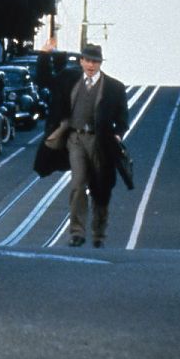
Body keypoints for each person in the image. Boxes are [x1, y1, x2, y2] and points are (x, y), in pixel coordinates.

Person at [44, 43, 130, 248]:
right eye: (88, 60)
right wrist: (43, 56)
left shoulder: (114, 87)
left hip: (101, 142)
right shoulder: (69, 81)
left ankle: (99, 233)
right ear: (81, 61)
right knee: (77, 183)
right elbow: (45, 80)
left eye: (95, 61)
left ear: (100, 63)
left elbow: (123, 119)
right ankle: (77, 232)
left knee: (101, 188)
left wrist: (117, 136)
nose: (91, 65)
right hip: (76, 139)